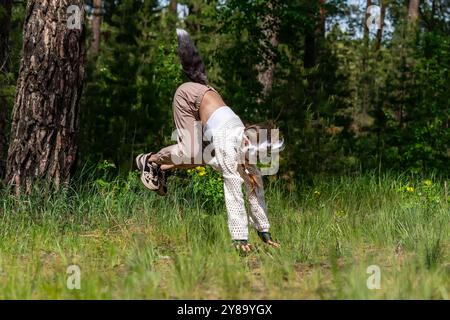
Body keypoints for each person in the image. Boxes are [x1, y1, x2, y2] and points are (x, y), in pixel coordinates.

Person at [136, 29, 282, 251]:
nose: (253, 159)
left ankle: (163, 168)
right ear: (245, 142)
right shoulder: (229, 143)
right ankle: (150, 160)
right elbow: (233, 189)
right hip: (188, 98)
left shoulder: (248, 154)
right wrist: (240, 239)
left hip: (206, 99)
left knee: (199, 160)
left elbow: (255, 190)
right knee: (191, 151)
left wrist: (264, 231)